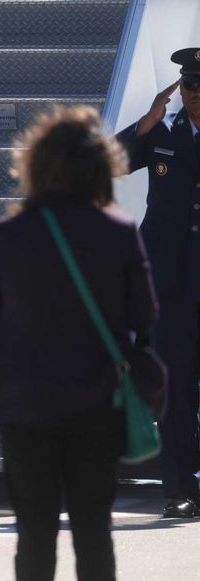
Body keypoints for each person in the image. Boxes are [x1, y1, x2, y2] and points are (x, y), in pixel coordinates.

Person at [0, 106, 158, 581]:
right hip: (96, 404)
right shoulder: (119, 232)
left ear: (37, 166)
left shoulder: (5, 234)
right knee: (93, 531)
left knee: (35, 533)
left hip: (25, 406)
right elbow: (145, 315)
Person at [115, 47, 200, 518]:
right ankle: (179, 487)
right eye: (190, 86)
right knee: (176, 387)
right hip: (169, 284)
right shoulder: (161, 133)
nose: (196, 95)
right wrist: (146, 122)